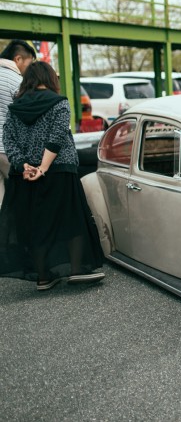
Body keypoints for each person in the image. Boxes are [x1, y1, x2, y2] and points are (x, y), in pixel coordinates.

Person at [0, 61, 105, 291]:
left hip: (24, 176)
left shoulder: (14, 108)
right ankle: (76, 270)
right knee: (71, 219)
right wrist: (44, 168)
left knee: (36, 224)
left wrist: (24, 165)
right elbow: (56, 137)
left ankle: (43, 277)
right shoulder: (59, 103)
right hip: (59, 171)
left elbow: (8, 140)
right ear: (50, 79)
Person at [0, 40, 36, 204]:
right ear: (18, 59)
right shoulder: (16, 81)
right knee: (23, 193)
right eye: (29, 64)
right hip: (7, 149)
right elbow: (29, 114)